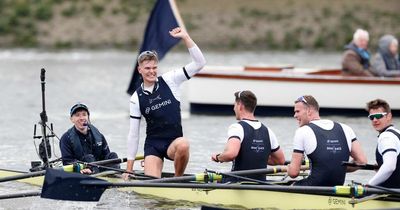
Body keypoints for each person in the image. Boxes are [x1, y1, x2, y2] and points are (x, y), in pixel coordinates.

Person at [124, 27, 206, 179]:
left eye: (154, 67)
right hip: (153, 146)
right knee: (151, 195)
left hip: (173, 144)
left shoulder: (171, 80)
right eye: (147, 68)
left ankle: (177, 180)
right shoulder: (136, 98)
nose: (152, 71)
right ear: (139, 70)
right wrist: (129, 168)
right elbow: (133, 134)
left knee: (184, 144)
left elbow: (200, 63)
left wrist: (186, 37)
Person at [287, 95, 367, 186]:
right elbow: (362, 162)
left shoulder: (302, 131)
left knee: (290, 184)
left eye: (297, 111)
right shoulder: (346, 128)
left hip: (313, 187)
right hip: (337, 188)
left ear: (309, 111)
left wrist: (289, 168)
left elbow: (293, 173)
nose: (295, 115)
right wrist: (337, 167)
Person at [211, 90, 285, 182]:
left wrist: (218, 157)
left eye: (234, 105)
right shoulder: (268, 131)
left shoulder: (237, 127)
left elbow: (231, 154)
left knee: (212, 181)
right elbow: (280, 160)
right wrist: (256, 157)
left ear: (240, 106)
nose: (234, 108)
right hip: (261, 184)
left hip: (237, 184)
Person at [60, 103, 119, 174]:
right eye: (77, 115)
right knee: (89, 158)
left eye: (84, 114)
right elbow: (67, 162)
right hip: (81, 171)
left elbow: (106, 157)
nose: (81, 118)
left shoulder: (99, 136)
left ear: (88, 117)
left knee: (113, 155)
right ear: (72, 119)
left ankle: (117, 176)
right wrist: (80, 169)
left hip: (99, 169)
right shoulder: (66, 138)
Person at [366, 99, 400, 188]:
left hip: (393, 194)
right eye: (371, 117)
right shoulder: (397, 133)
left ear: (389, 116)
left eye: (378, 116)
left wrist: (368, 186)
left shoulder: (386, 137)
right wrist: (381, 167)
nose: (375, 120)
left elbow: (389, 167)